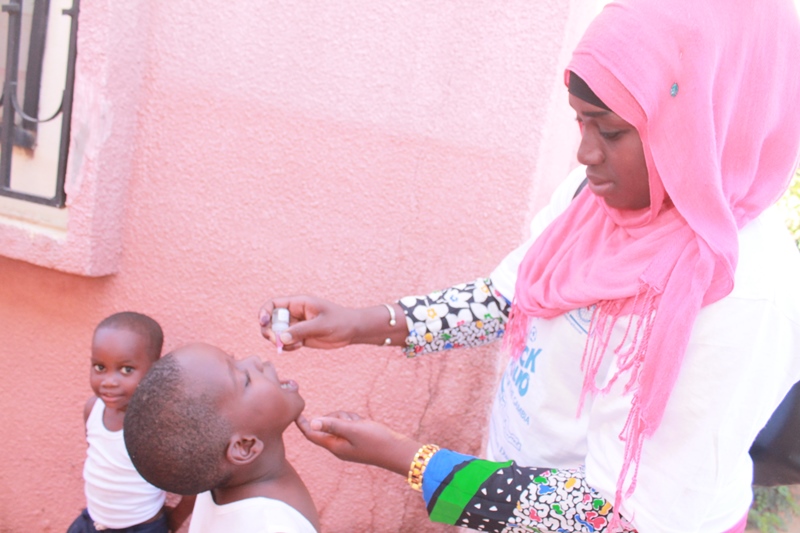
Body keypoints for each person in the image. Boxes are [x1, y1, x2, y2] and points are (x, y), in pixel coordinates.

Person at [258, 0, 800, 532]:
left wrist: (416, 463)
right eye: (580, 122)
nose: (585, 153)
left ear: (703, 124)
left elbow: (621, 518)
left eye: (609, 131)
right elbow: (510, 298)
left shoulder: (740, 296)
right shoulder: (603, 199)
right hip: (506, 495)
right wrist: (362, 323)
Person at [123, 342, 320, 533]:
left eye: (235, 360)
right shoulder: (273, 528)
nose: (255, 360)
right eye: (246, 380)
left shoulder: (218, 481)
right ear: (244, 447)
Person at [67, 312, 194, 533]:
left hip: (141, 528)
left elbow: (193, 484)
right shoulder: (93, 410)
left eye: (126, 370)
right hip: (92, 523)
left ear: (155, 370)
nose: (108, 382)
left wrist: (173, 521)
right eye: (99, 367)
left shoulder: (159, 425)